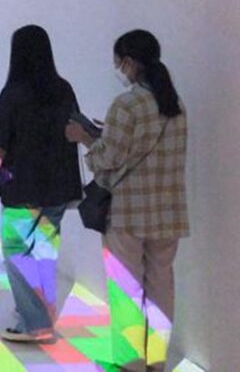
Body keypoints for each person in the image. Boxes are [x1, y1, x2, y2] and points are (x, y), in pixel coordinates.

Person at [66, 30, 187, 372]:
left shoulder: (127, 104)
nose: (118, 68)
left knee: (126, 291)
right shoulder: (175, 104)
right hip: (168, 212)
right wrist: (110, 133)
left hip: (127, 213)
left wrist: (85, 138)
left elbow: (108, 158)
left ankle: (130, 364)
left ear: (130, 62)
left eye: (119, 62)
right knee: (161, 287)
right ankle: (157, 362)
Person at [0, 25, 83, 343]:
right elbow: (75, 131)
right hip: (57, 186)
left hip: (22, 187)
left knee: (17, 254)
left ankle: (34, 324)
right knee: (44, 254)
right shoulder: (63, 89)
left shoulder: (13, 93)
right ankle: (39, 314)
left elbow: (1, 144)